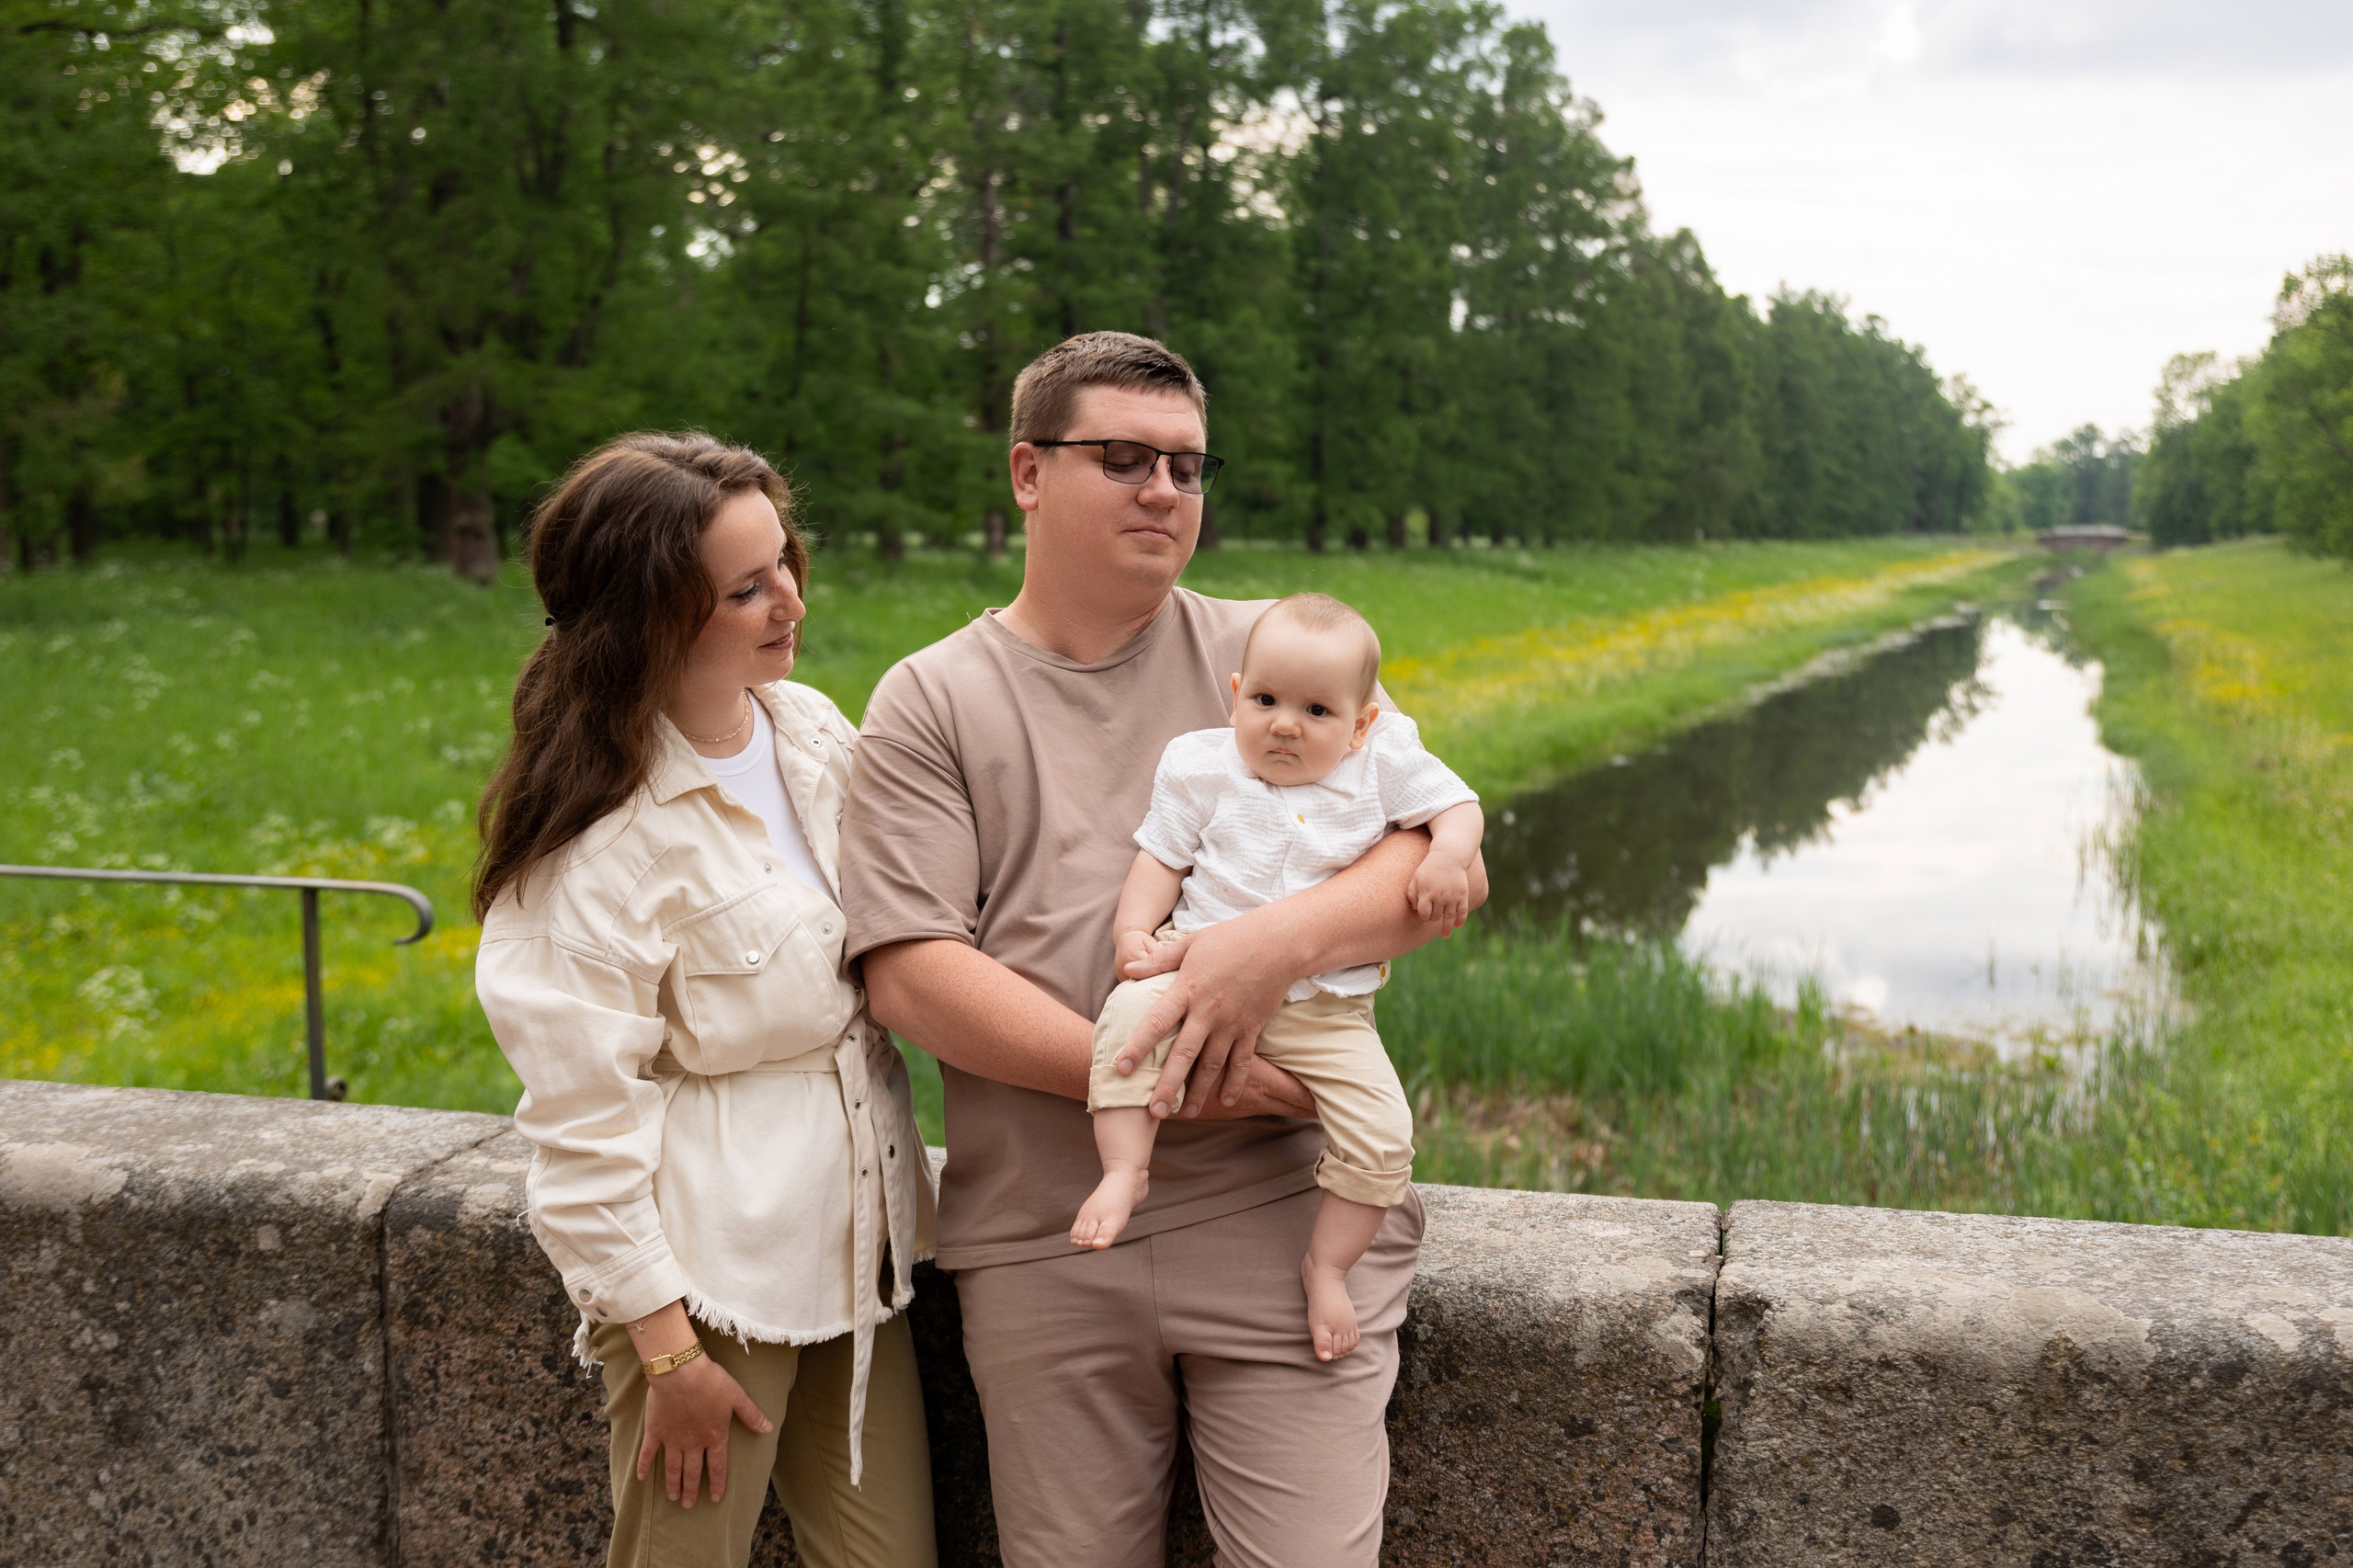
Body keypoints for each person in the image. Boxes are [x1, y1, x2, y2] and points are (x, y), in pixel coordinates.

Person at [841, 332, 1487, 1567]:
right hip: (1047, 1241)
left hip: (1288, 1228)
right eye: (1123, 458)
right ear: (1029, 473)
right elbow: (911, 970)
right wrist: (1149, 1065)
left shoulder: (1284, 654)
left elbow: (1438, 868)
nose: (1164, 491)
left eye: (1189, 466)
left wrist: (1262, 950)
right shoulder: (931, 697)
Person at [472, 432, 938, 1568]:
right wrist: (669, 1355)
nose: (790, 600)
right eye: (745, 588)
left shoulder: (810, 729)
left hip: (863, 1253)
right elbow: (580, 1130)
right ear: (652, 616)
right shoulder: (594, 851)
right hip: (709, 1283)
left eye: (785, 562)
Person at [1074, 591, 1484, 1364]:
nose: (1285, 724)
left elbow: (1459, 806)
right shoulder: (1201, 763)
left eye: (1317, 712)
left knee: (1384, 1134)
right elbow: (1160, 856)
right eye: (1264, 700)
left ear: (1360, 723)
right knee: (1128, 1024)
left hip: (1326, 1009)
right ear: (1236, 697)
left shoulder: (1383, 760)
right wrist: (1135, 932)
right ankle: (1125, 1169)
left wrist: (1446, 855)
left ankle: (1326, 1267)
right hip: (1193, 972)